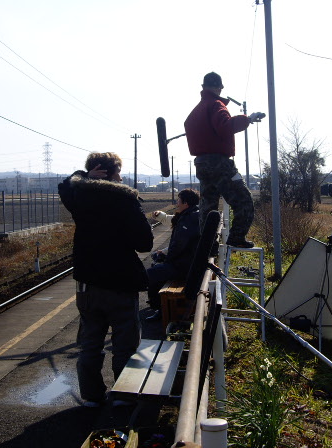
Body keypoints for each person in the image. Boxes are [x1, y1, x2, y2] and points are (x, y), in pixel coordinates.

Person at [58, 152, 154, 407]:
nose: (121, 178)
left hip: (88, 284)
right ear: (109, 173)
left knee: (90, 342)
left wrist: (85, 177)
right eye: (119, 173)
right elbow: (145, 243)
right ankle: (123, 394)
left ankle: (91, 395)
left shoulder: (79, 196)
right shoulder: (125, 199)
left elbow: (65, 184)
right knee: (124, 342)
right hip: (120, 282)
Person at [184, 71, 265, 248]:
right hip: (219, 163)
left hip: (202, 164)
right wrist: (248, 119)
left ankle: (207, 245)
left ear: (203, 87)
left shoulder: (195, 111)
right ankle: (237, 237)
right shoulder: (216, 104)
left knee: (208, 205)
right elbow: (225, 126)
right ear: (219, 88)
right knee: (243, 200)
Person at [145, 189, 201, 320]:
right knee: (156, 270)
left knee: (150, 274)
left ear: (186, 203)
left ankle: (159, 309)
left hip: (183, 266)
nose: (177, 203)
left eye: (178, 200)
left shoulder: (188, 220)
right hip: (187, 263)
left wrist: (166, 257)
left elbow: (179, 246)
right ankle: (159, 307)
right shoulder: (192, 215)